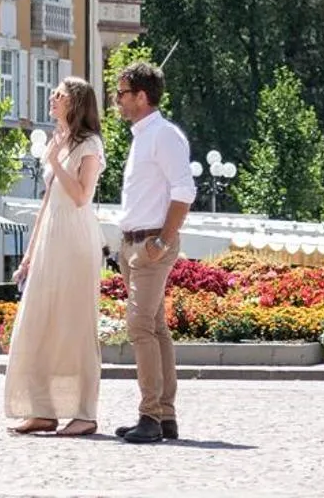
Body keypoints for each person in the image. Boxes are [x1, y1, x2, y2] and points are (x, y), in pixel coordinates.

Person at [4, 77, 107, 437]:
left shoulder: (90, 144)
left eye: (59, 95)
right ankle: (42, 409)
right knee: (39, 322)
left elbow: (81, 196)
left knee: (76, 326)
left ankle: (85, 411)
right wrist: (29, 253)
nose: (52, 97)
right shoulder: (59, 141)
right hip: (51, 236)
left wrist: (54, 161)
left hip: (76, 239)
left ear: (75, 103)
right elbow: (47, 203)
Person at [111, 61, 195, 444]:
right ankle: (164, 415)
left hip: (150, 244)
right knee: (156, 328)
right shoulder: (142, 135)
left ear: (141, 97)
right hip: (134, 242)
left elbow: (184, 192)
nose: (117, 99)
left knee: (140, 327)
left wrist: (161, 241)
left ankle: (150, 415)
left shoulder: (163, 135)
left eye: (123, 93)